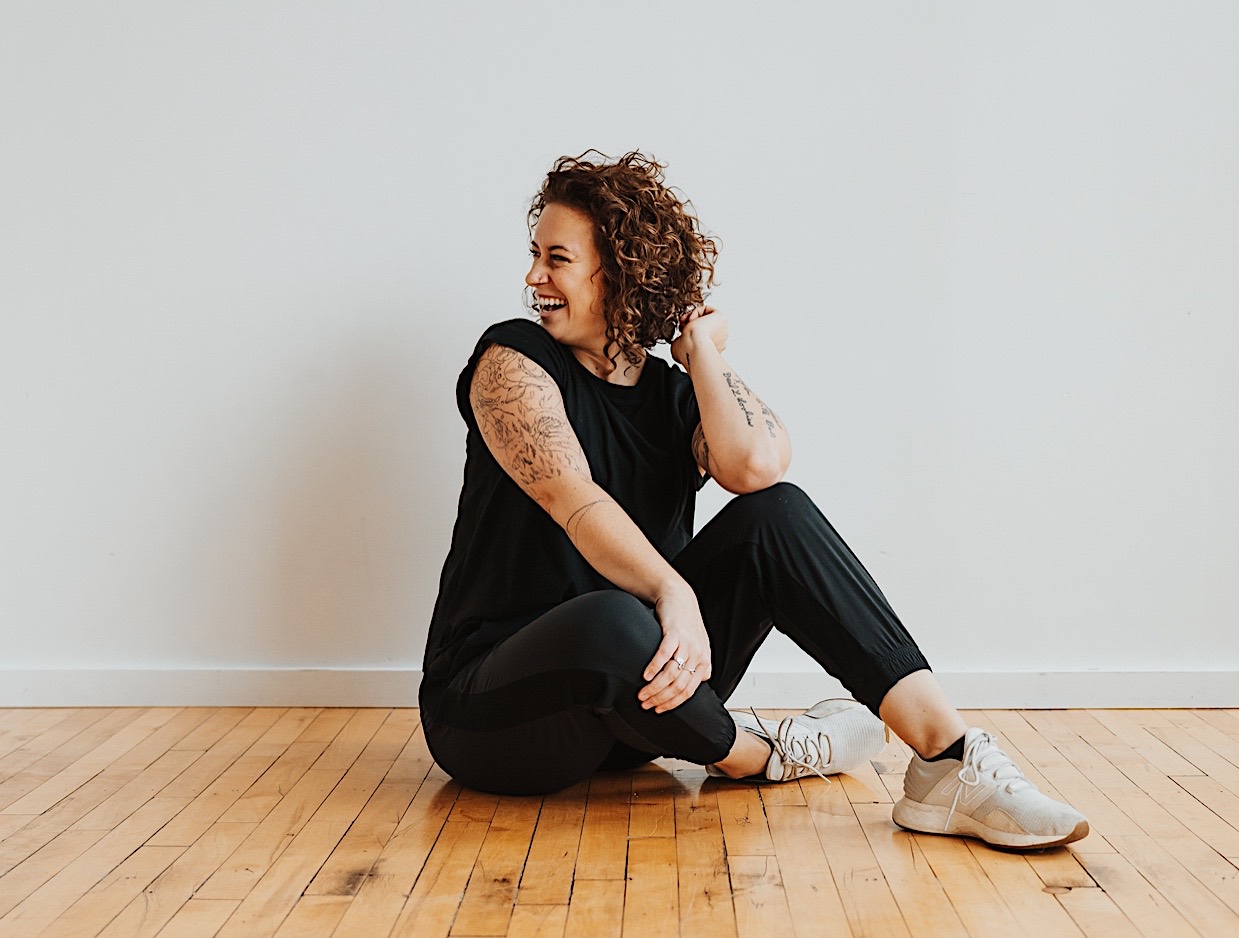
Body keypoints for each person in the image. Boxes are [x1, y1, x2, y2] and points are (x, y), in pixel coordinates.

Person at [419, 150, 1089, 850]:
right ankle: (764, 752)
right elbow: (573, 500)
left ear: (617, 272)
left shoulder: (677, 398)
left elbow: (757, 467)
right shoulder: (513, 359)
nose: (533, 277)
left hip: (646, 708)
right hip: (494, 716)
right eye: (535, 255)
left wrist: (703, 350)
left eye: (555, 259)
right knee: (613, 618)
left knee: (780, 515)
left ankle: (948, 761)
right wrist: (670, 591)